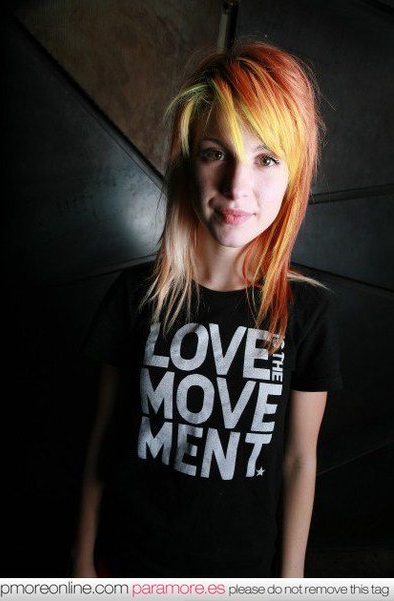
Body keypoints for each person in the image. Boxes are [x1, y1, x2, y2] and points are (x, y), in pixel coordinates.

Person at [73, 40, 342, 578]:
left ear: (294, 175)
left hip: (242, 573)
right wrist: (80, 563)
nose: (237, 187)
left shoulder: (306, 312)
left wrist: (291, 584)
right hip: (129, 567)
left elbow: (298, 461)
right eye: (216, 153)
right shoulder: (135, 296)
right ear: (188, 163)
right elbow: (102, 438)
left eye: (266, 159)